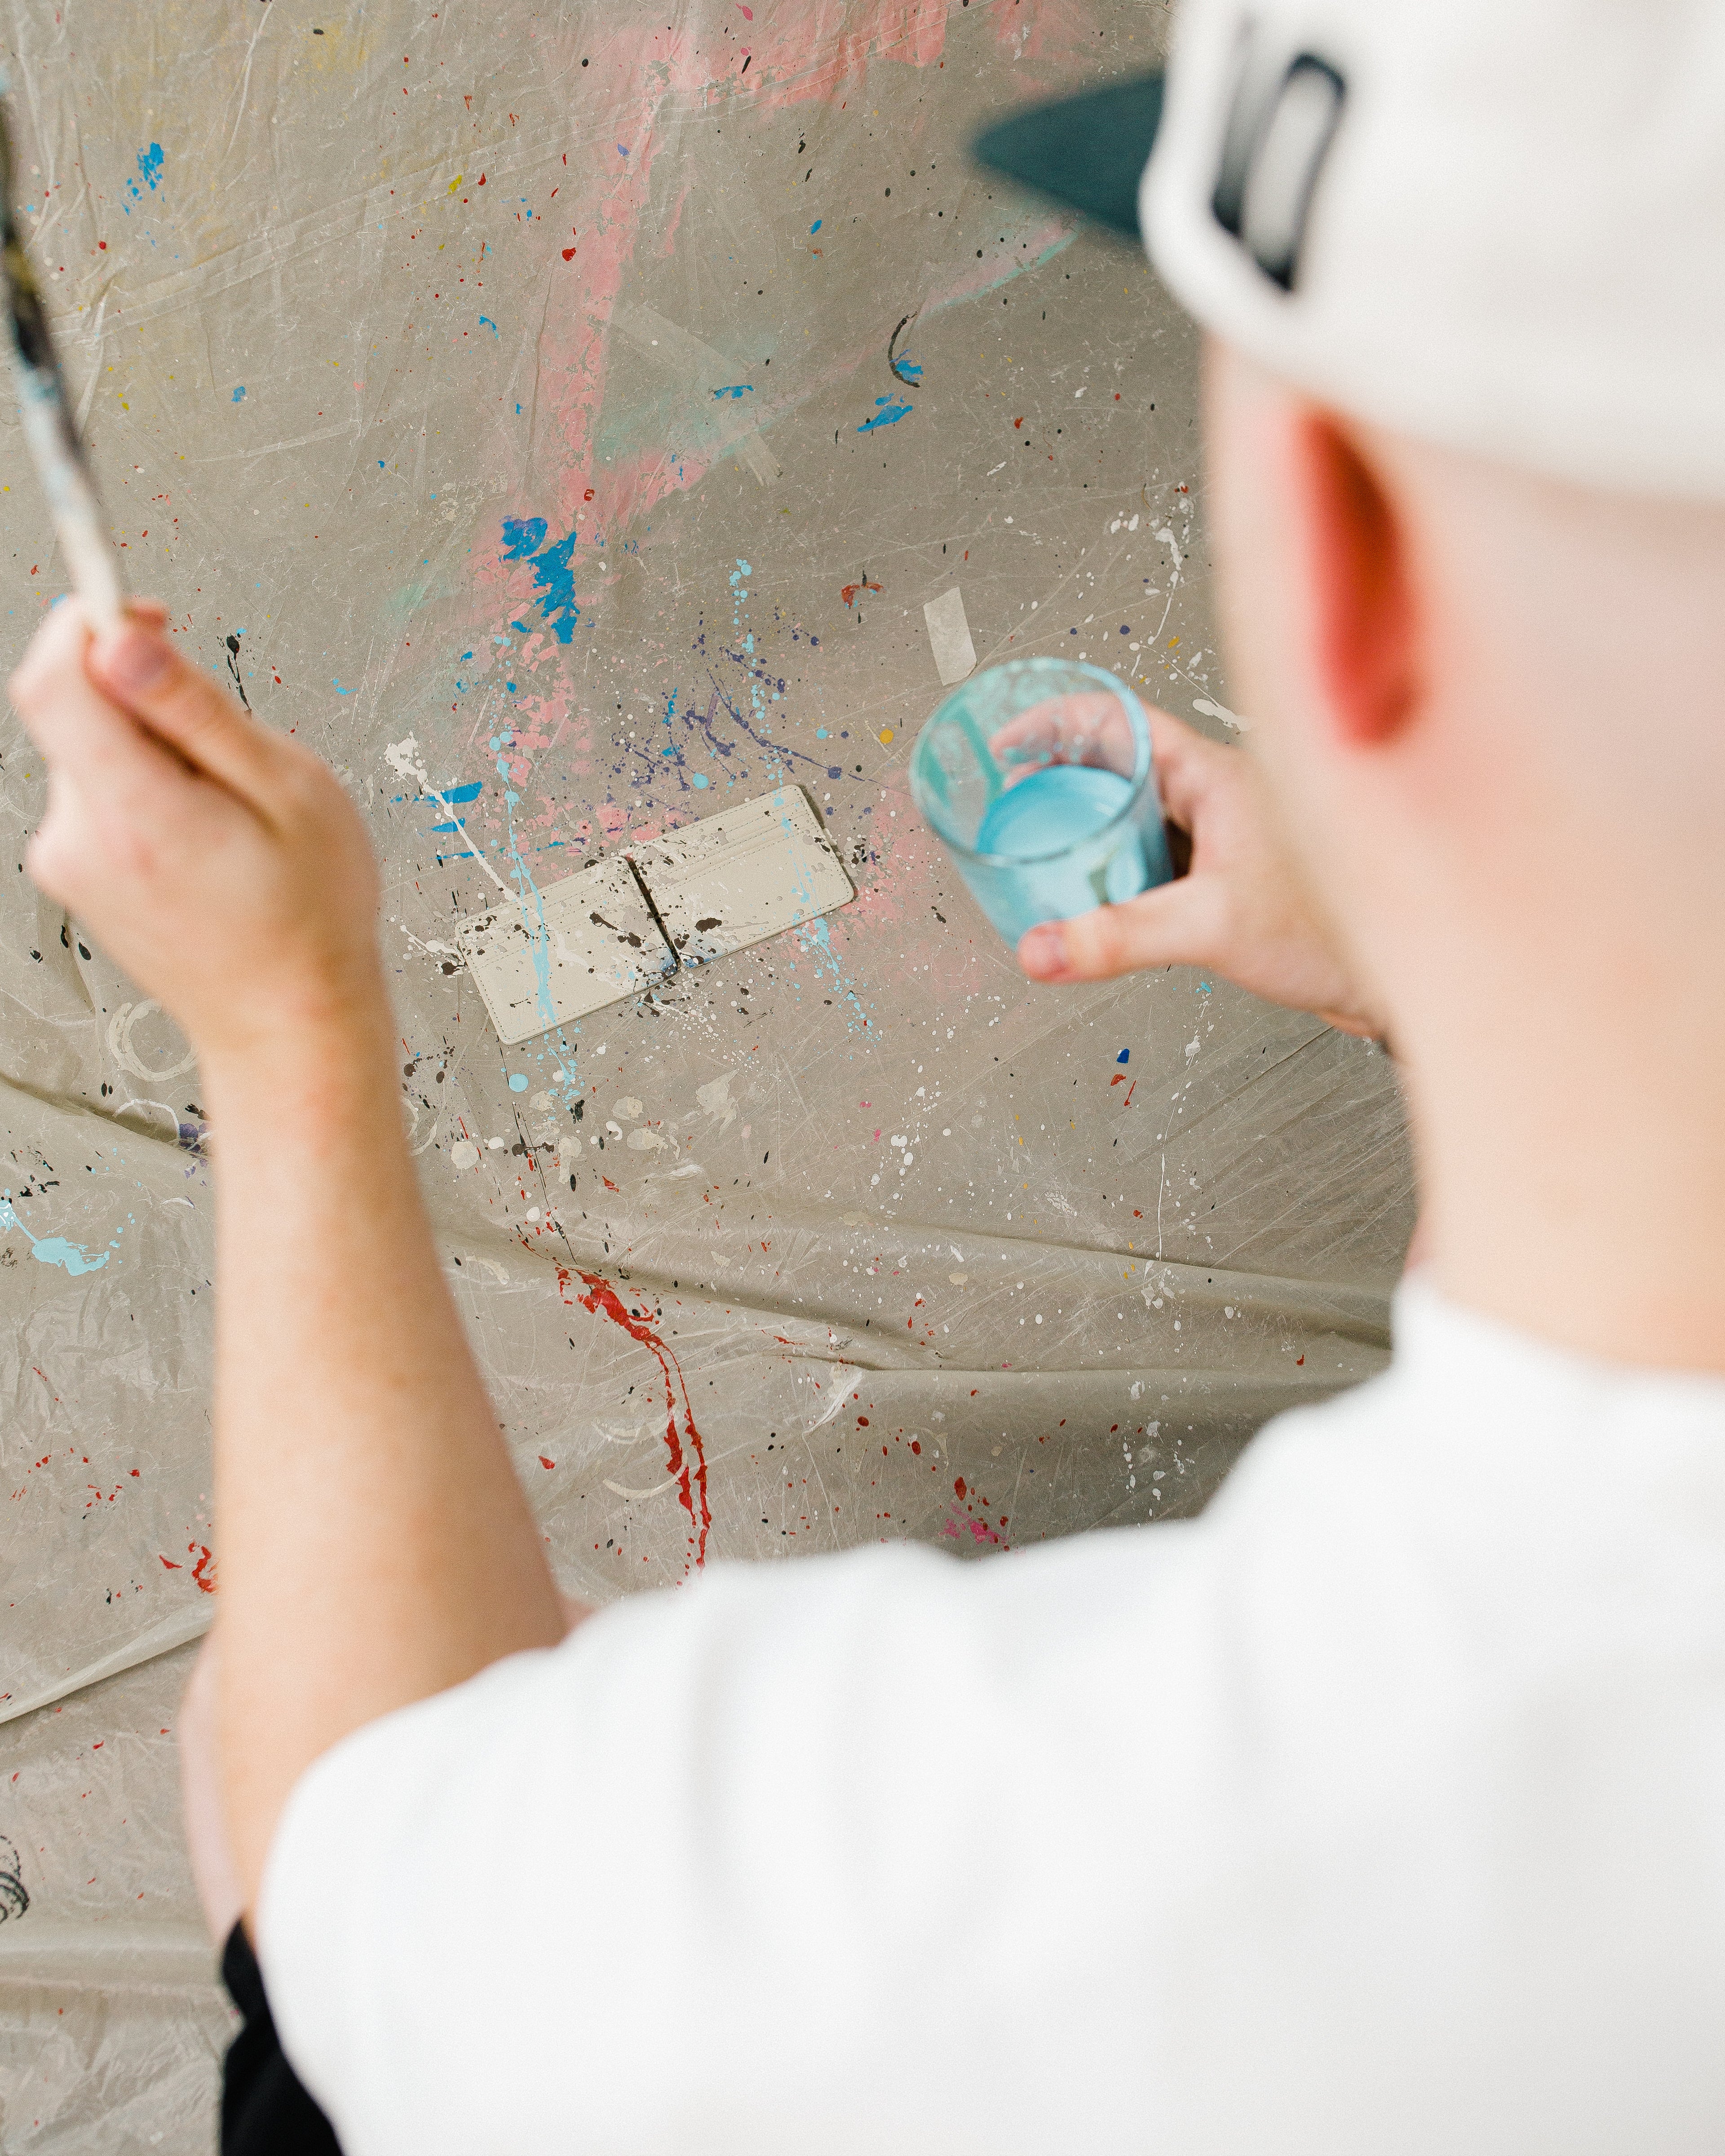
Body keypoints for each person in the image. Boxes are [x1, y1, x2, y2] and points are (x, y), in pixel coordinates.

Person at [13, 0, 1725, 2145]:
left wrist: (286, 1029)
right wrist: (1474, 910)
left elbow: (350, 1838)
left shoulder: (959, 1923)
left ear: (1350, 553)